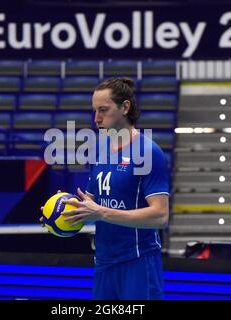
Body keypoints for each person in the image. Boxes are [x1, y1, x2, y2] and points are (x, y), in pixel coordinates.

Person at [42, 77, 170, 300]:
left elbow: (160, 216)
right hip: (103, 262)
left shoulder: (149, 151)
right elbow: (91, 205)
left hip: (138, 262)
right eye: (94, 111)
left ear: (125, 107)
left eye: (103, 110)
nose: (96, 118)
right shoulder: (100, 149)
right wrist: (59, 213)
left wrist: (102, 213)